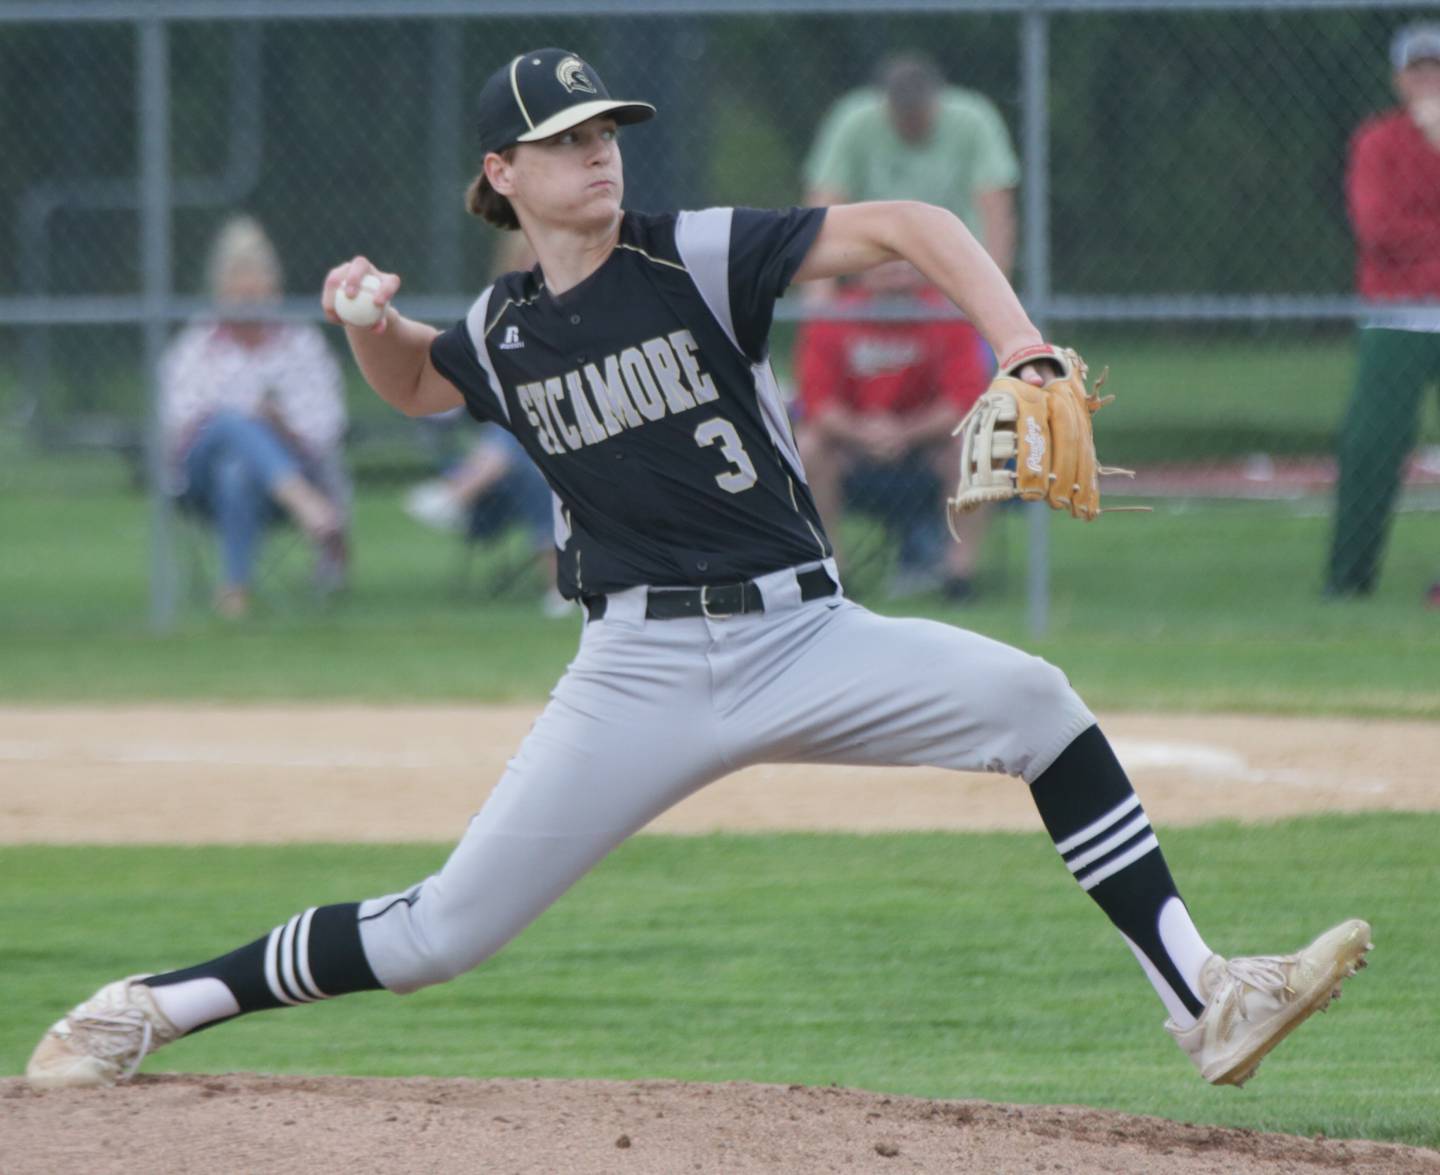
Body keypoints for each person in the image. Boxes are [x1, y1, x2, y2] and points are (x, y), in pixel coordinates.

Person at [28, 48, 1369, 1094]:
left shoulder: (692, 255)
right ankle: (149, 1004)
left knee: (1040, 705)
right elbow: (423, 385)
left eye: (608, 132)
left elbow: (907, 219)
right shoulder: (503, 327)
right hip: (639, 668)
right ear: (504, 172)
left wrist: (1020, 346)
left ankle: (1205, 995)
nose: (600, 155)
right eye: (567, 141)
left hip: (807, 632)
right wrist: (371, 325)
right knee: (442, 935)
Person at [802, 53, 1021, 589]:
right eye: (902, 120)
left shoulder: (971, 120)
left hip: (953, 296)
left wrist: (990, 308)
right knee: (806, 442)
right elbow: (821, 206)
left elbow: (996, 214)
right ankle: (833, 574)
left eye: (919, 119)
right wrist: (821, 302)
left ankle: (950, 570)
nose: (911, 128)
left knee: (983, 429)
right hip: (861, 392)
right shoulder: (855, 121)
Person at [160, 215, 350, 618]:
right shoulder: (196, 346)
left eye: (255, 278)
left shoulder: (302, 345)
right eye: (236, 279)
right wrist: (249, 419)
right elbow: (177, 423)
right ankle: (305, 504)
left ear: (274, 286)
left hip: (285, 467)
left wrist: (278, 425)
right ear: (219, 289)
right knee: (230, 422)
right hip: (200, 480)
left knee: (240, 469)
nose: (246, 291)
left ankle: (234, 590)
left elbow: (327, 426)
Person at [795, 258, 991, 599]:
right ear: (860, 271)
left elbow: (964, 401)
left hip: (927, 447)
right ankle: (834, 573)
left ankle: (958, 577)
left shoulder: (947, 316)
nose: (898, 279)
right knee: (807, 445)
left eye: (906, 268)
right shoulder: (834, 317)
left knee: (979, 445)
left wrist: (903, 431)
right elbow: (818, 405)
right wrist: (862, 432)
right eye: (887, 269)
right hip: (851, 449)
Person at [1326, 23, 1440, 605]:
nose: (1428, 80)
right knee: (1372, 445)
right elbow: (1379, 230)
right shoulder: (1378, 141)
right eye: (1417, 70)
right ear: (1399, 79)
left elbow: (1406, 235)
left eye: (1437, 68)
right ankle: (1348, 583)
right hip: (1398, 315)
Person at [404, 424, 571, 618]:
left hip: (552, 485)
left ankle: (454, 495)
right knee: (512, 433)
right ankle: (456, 497)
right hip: (506, 497)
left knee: (518, 448)